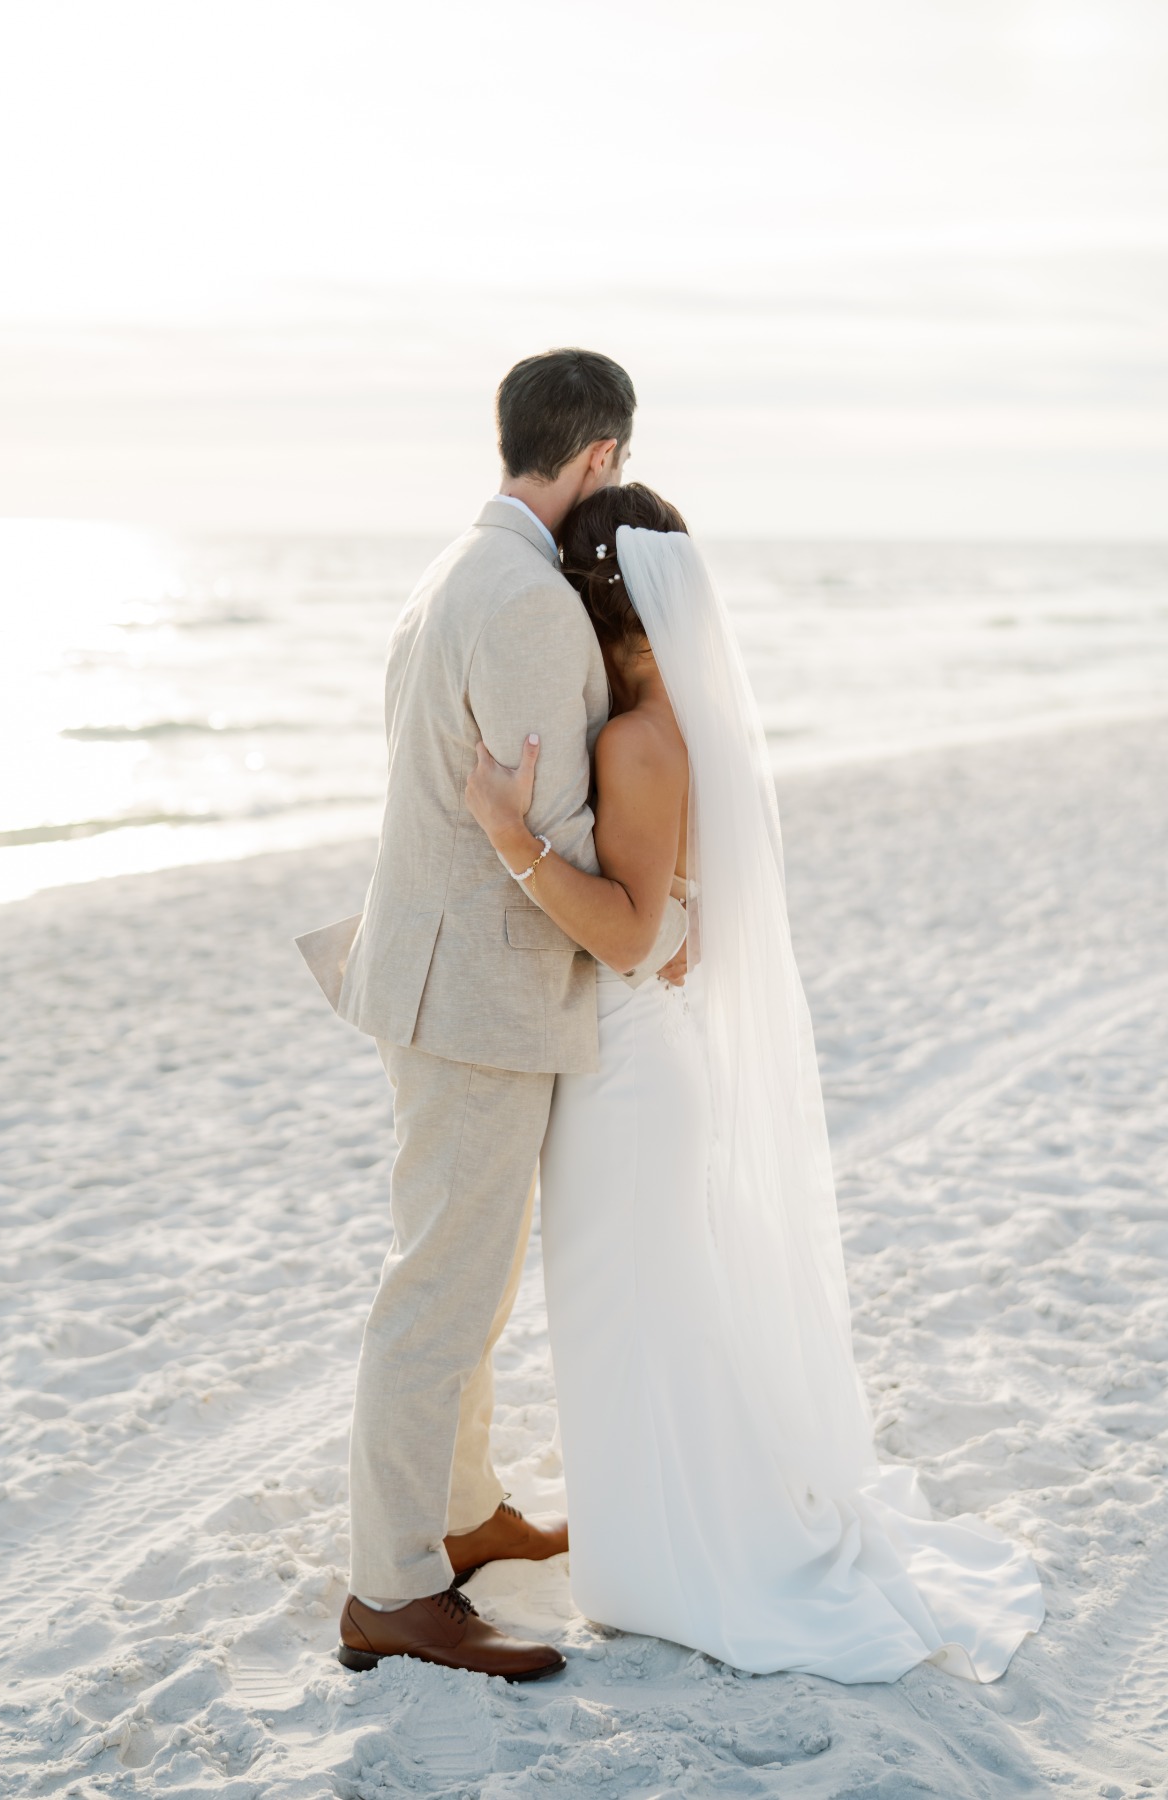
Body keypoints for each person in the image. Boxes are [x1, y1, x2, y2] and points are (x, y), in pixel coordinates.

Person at [464, 482, 1046, 1682]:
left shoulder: (634, 740)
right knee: (652, 1317)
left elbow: (629, 938)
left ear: (593, 601)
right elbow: (677, 916)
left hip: (630, 1076)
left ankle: (675, 1563)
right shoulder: (680, 728)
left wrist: (510, 839)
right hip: (646, 1062)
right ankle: (659, 1552)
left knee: (639, 1321)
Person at [299, 351, 688, 1682]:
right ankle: (393, 1589)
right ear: (597, 460)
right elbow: (559, 834)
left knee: (464, 1280)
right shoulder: (525, 601)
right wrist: (662, 922)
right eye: (616, 468)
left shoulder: (456, 567)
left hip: (437, 970)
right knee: (439, 1293)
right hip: (470, 992)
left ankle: (461, 1518)